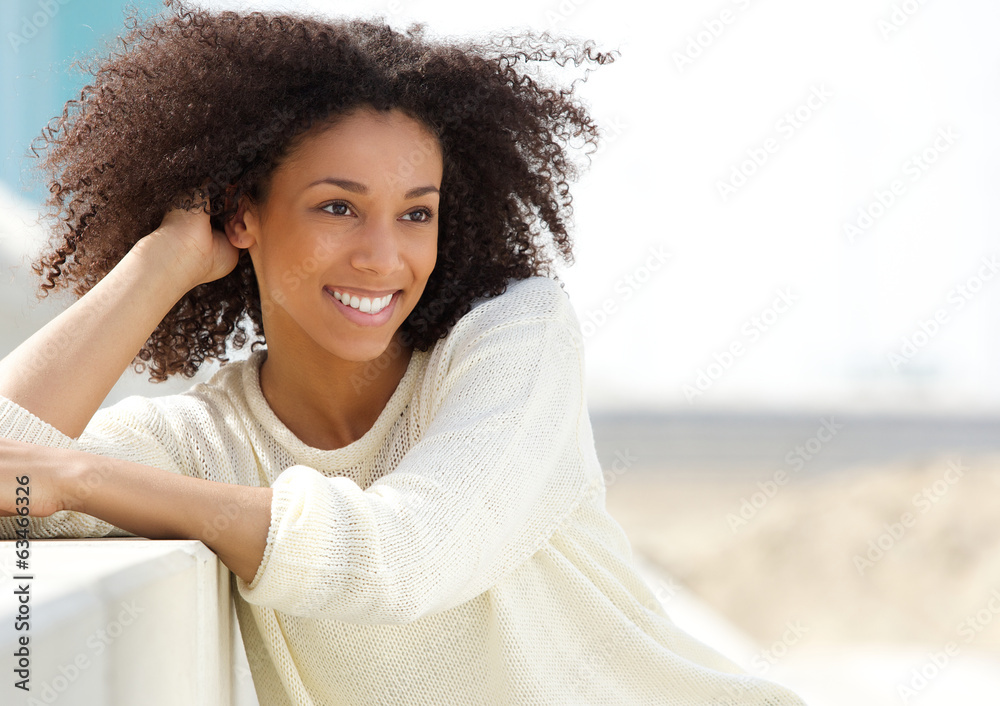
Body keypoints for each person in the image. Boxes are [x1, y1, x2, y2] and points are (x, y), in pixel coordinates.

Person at [0, 1, 808, 704]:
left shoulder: (509, 340)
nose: (383, 257)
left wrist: (84, 476)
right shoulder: (204, 446)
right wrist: (161, 262)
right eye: (338, 208)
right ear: (242, 217)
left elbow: (408, 556)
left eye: (416, 214)